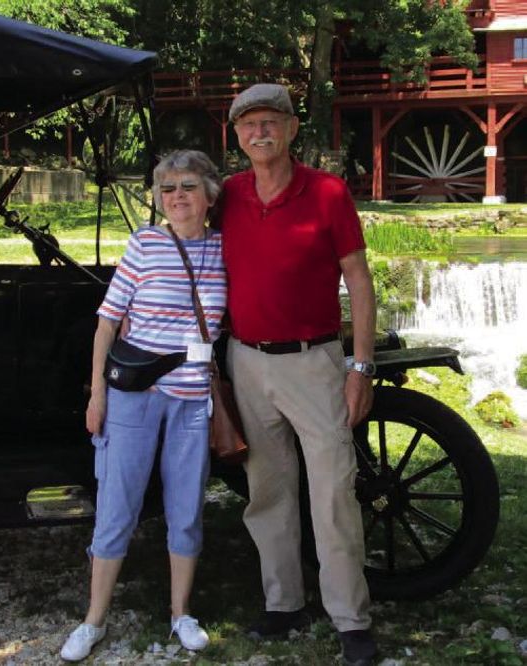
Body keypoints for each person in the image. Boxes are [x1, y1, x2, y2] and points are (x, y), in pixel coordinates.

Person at [220, 83, 378, 666]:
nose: (259, 132)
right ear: (236, 137)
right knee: (269, 491)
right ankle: (284, 603)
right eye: (247, 124)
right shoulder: (229, 195)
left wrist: (360, 366)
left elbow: (359, 281)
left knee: (334, 491)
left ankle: (350, 618)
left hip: (315, 361)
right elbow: (176, 206)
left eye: (270, 122)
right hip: (247, 359)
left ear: (290, 129)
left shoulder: (328, 192)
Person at [61, 150, 226, 661]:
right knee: (116, 508)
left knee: (186, 509)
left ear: (209, 195)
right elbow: (108, 322)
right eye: (167, 187)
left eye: (188, 186)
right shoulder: (145, 243)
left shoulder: (225, 249)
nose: (177, 195)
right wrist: (97, 393)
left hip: (192, 400)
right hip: (134, 397)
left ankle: (181, 614)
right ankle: (94, 620)